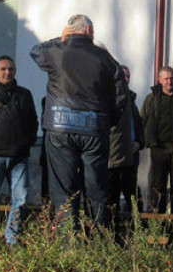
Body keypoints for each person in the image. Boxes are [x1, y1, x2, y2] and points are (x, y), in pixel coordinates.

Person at [30, 14, 128, 227]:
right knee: (96, 188)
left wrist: (60, 38)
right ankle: (99, 242)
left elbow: (35, 51)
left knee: (63, 190)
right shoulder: (105, 58)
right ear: (89, 32)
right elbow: (121, 95)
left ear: (69, 31)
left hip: (60, 126)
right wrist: (108, 121)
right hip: (95, 126)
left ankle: (69, 247)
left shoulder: (57, 52)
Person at [0, 56, 38, 247]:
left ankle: (11, 238)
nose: (7, 73)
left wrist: (27, 142)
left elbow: (33, 120)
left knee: (20, 200)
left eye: (11, 69)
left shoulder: (24, 94)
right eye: (3, 69)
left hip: (19, 155)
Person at [141, 66, 173, 214]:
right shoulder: (152, 99)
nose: (170, 81)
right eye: (167, 78)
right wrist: (145, 140)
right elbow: (143, 119)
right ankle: (158, 223)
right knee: (158, 186)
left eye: (172, 78)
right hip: (159, 148)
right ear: (160, 80)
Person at [107, 65, 144, 216]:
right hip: (113, 156)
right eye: (124, 76)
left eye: (128, 76)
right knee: (112, 196)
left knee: (133, 195)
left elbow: (139, 125)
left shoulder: (131, 100)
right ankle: (113, 233)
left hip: (131, 155)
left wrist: (139, 142)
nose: (127, 79)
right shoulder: (110, 98)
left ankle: (137, 230)